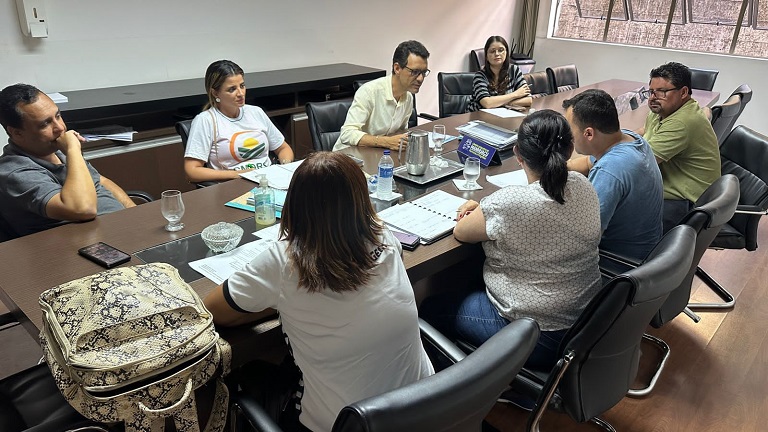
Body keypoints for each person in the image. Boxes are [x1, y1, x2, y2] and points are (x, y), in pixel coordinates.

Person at [203, 151, 433, 431]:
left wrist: (279, 301)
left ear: (294, 204)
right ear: (361, 199)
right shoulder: (382, 235)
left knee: (252, 376)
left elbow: (214, 310)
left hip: (345, 424)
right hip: (425, 408)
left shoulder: (285, 260)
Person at [419, 110, 602, 373]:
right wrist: (489, 212)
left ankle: (461, 387)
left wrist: (482, 210)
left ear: (518, 154)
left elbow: (462, 232)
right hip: (586, 324)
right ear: (570, 148)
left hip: (536, 335)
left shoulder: (510, 202)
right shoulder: (583, 184)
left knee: (430, 309)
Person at [0, 83, 135, 239]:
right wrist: (73, 150)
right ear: (17, 133)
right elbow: (83, 209)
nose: (60, 128)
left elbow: (100, 181)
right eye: (45, 124)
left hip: (121, 232)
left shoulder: (55, 150)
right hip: (83, 247)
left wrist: (134, 215)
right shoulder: (13, 172)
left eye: (58, 116)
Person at [564, 89, 663, 261]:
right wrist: (551, 168)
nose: (568, 137)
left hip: (622, 263)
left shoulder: (609, 170)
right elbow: (587, 162)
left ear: (589, 133)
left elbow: (584, 240)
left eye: (570, 131)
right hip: (649, 251)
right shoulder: (630, 139)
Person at [640, 62, 720, 232]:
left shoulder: (681, 122)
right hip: (672, 189)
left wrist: (590, 160)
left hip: (686, 203)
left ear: (683, 92)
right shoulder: (664, 111)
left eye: (661, 92)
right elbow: (644, 132)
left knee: (617, 222)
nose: (653, 97)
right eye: (651, 91)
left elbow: (637, 163)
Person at [184, 60, 294, 183]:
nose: (241, 93)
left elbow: (283, 148)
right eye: (232, 89)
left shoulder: (255, 112)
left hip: (267, 180)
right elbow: (192, 170)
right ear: (215, 93)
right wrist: (236, 174)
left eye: (242, 86)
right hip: (234, 184)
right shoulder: (205, 120)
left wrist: (284, 167)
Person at [333, 40, 430, 151]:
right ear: (397, 68)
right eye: (415, 72)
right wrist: (386, 142)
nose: (420, 79)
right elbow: (347, 134)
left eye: (424, 72)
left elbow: (400, 134)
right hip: (347, 156)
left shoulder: (408, 98)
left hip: (377, 154)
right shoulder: (369, 92)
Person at [466, 35, 531, 113]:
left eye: (501, 50)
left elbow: (528, 100)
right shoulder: (480, 76)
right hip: (477, 117)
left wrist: (500, 103)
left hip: (503, 116)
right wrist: (515, 94)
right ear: (486, 56)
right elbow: (487, 103)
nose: (497, 54)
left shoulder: (514, 70)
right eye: (492, 51)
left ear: (506, 53)